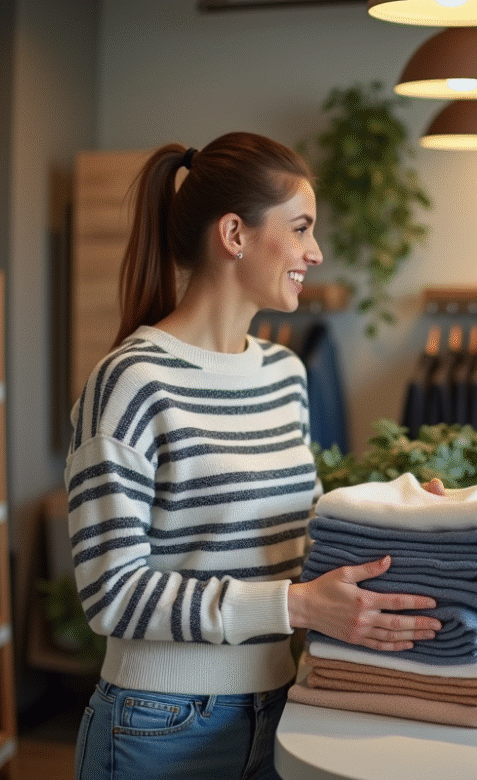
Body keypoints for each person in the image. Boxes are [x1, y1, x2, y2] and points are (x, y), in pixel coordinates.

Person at [64, 132, 442, 780]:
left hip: (278, 706)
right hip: (158, 726)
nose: (315, 252)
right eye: (300, 228)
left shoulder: (283, 373)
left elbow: (290, 539)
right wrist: (295, 607)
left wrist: (403, 517)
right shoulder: (131, 382)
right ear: (234, 234)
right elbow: (112, 594)